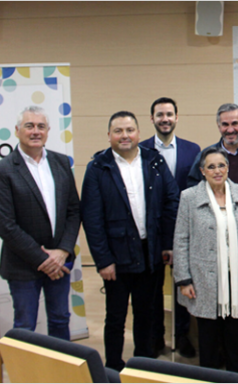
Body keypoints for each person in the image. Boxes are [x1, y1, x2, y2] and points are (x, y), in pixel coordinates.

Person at [80, 111, 180, 371]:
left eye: (129, 130)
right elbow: (91, 219)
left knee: (145, 313)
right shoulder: (97, 167)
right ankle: (113, 366)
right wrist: (103, 260)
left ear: (138, 133)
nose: (124, 136)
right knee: (115, 316)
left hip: (150, 253)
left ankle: (143, 365)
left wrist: (167, 244)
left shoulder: (153, 160)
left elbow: (171, 202)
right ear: (109, 135)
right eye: (118, 131)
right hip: (115, 256)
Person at [186, 103, 238, 368]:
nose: (230, 129)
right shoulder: (206, 155)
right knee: (219, 303)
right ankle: (222, 353)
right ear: (219, 126)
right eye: (225, 124)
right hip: (213, 242)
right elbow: (194, 192)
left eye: (235, 123)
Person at [0, 106, 81, 340]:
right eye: (29, 126)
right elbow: (5, 225)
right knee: (24, 325)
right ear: (17, 131)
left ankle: (61, 372)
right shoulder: (2, 170)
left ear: (48, 131)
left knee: (61, 319)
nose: (35, 131)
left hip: (60, 261)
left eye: (41, 126)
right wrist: (45, 260)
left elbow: (73, 211)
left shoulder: (61, 163)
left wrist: (62, 251)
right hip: (22, 264)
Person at [173, 147, 238, 374]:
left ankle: (235, 376)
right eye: (211, 167)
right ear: (202, 171)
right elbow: (181, 239)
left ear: (228, 167)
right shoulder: (189, 197)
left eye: (221, 165)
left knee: (235, 335)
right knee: (208, 336)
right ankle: (209, 377)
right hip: (204, 276)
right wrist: (183, 279)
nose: (217, 170)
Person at [140, 97, 200, 358]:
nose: (165, 119)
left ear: (177, 117)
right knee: (152, 289)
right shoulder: (140, 150)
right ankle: (156, 338)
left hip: (184, 230)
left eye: (169, 114)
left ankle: (182, 336)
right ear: (151, 118)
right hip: (152, 233)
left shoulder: (192, 149)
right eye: (159, 114)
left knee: (184, 288)